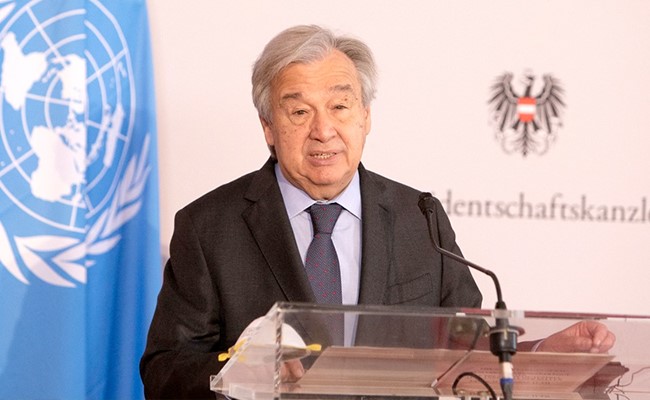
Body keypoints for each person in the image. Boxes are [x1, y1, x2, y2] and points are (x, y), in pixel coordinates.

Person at [140, 25, 614, 399]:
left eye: (340, 106)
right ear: (268, 126)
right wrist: (245, 374)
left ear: (366, 116)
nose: (324, 130)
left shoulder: (420, 218)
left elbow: (468, 352)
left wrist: (544, 354)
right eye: (300, 112)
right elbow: (164, 372)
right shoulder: (209, 227)